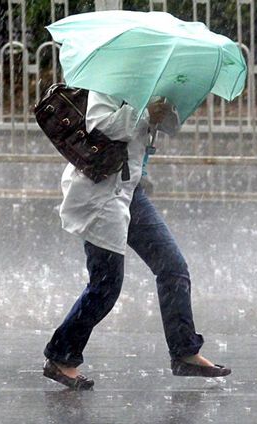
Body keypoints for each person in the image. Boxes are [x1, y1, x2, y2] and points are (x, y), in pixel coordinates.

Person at [42, 91, 231, 390]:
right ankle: (61, 356)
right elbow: (99, 125)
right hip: (101, 192)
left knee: (172, 267)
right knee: (105, 285)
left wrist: (165, 108)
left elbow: (168, 126)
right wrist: (144, 114)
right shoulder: (107, 80)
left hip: (130, 192)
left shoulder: (151, 80)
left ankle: (185, 352)